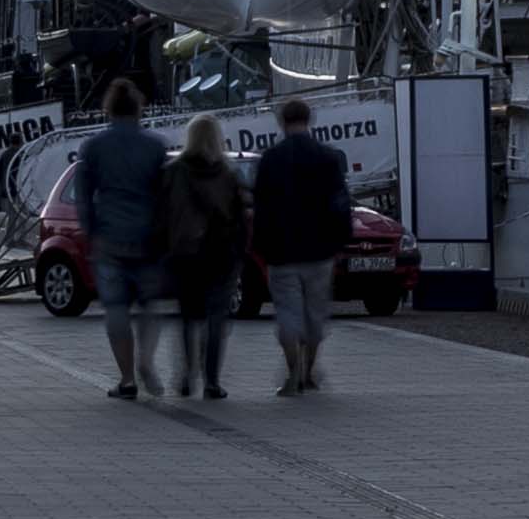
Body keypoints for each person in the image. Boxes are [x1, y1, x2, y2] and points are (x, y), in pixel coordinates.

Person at [248, 96, 356, 395]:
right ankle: (308, 371)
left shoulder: (271, 159)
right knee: (314, 314)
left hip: (282, 251)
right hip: (319, 250)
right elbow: (340, 203)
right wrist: (340, 240)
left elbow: (262, 207)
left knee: (288, 313)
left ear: (282, 122)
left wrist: (261, 245)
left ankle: (292, 367)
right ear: (309, 120)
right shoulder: (327, 157)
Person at [73, 82, 172, 401]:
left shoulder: (94, 146)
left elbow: (84, 197)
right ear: (139, 108)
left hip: (110, 237)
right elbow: (167, 195)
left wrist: (91, 234)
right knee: (149, 305)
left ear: (109, 109)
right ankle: (146, 360)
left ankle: (127, 378)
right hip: (148, 237)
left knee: (116, 309)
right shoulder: (156, 146)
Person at [163, 114, 253, 401]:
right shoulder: (229, 173)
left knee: (189, 318)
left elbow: (161, 214)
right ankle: (212, 381)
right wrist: (240, 252)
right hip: (221, 256)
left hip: (184, 255)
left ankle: (187, 377)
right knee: (216, 319)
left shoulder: (173, 171)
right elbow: (241, 216)